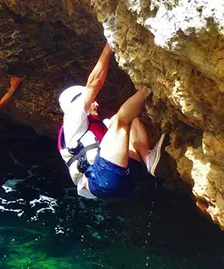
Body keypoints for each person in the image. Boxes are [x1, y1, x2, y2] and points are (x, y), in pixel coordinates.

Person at [57, 43, 165, 200]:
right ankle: (149, 86)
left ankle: (148, 159)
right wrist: (108, 48)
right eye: (91, 101)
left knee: (128, 119)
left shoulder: (97, 127)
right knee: (122, 121)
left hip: (125, 183)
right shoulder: (72, 116)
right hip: (102, 179)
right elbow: (94, 83)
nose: (96, 103)